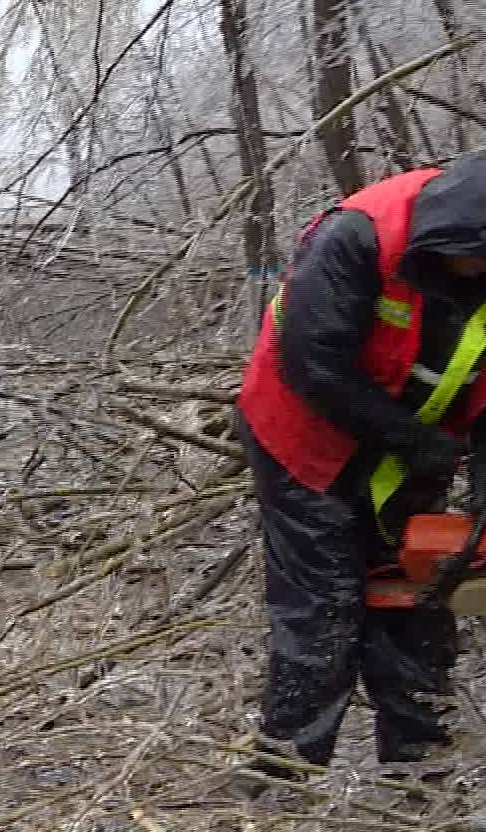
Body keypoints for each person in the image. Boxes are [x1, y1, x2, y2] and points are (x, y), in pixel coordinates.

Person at [236, 154, 486, 777]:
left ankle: (422, 764)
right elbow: (311, 363)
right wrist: (407, 435)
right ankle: (286, 777)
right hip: (305, 437)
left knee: (415, 597)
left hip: (413, 442)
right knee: (323, 612)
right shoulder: (360, 234)